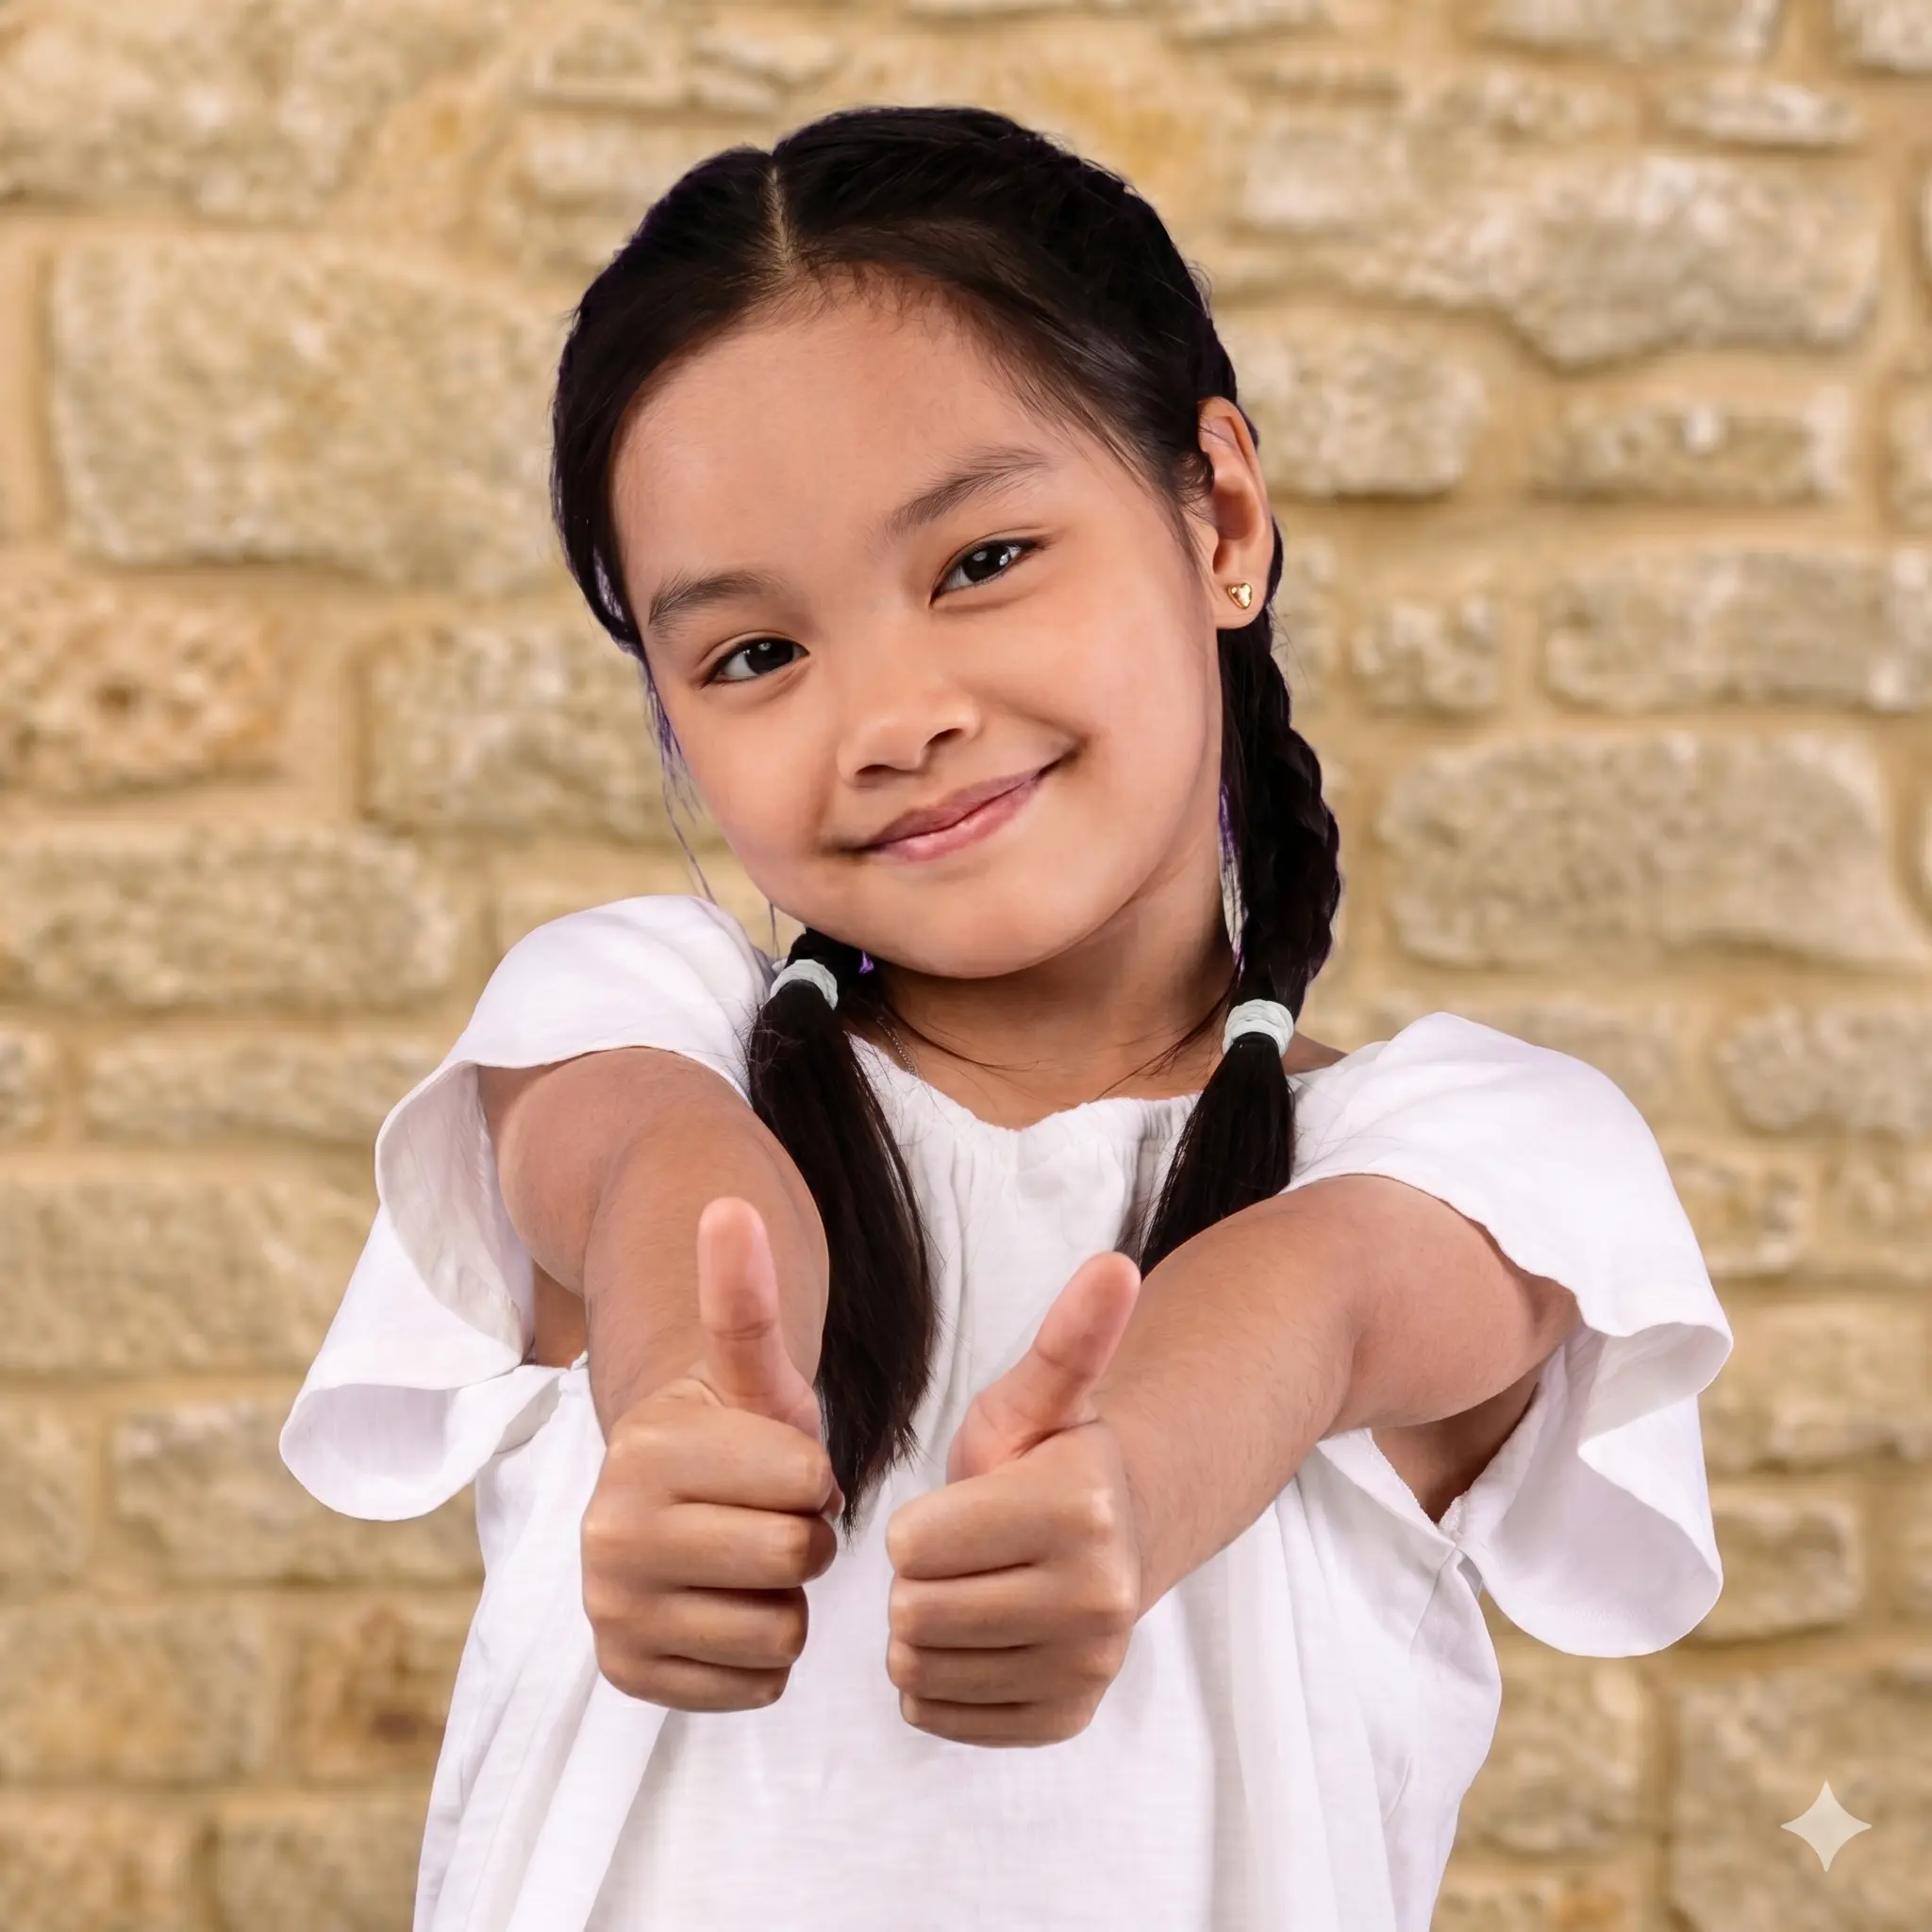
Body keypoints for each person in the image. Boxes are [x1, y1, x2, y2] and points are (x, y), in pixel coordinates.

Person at [281, 106, 1732, 1932]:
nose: (895, 717)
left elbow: (1311, 1304)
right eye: (754, 654)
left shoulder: (1477, 1155)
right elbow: (664, 1177)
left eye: (980, 561)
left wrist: (1124, 1487)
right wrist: (679, 1411)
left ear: (1221, 517)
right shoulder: (630, 1016)